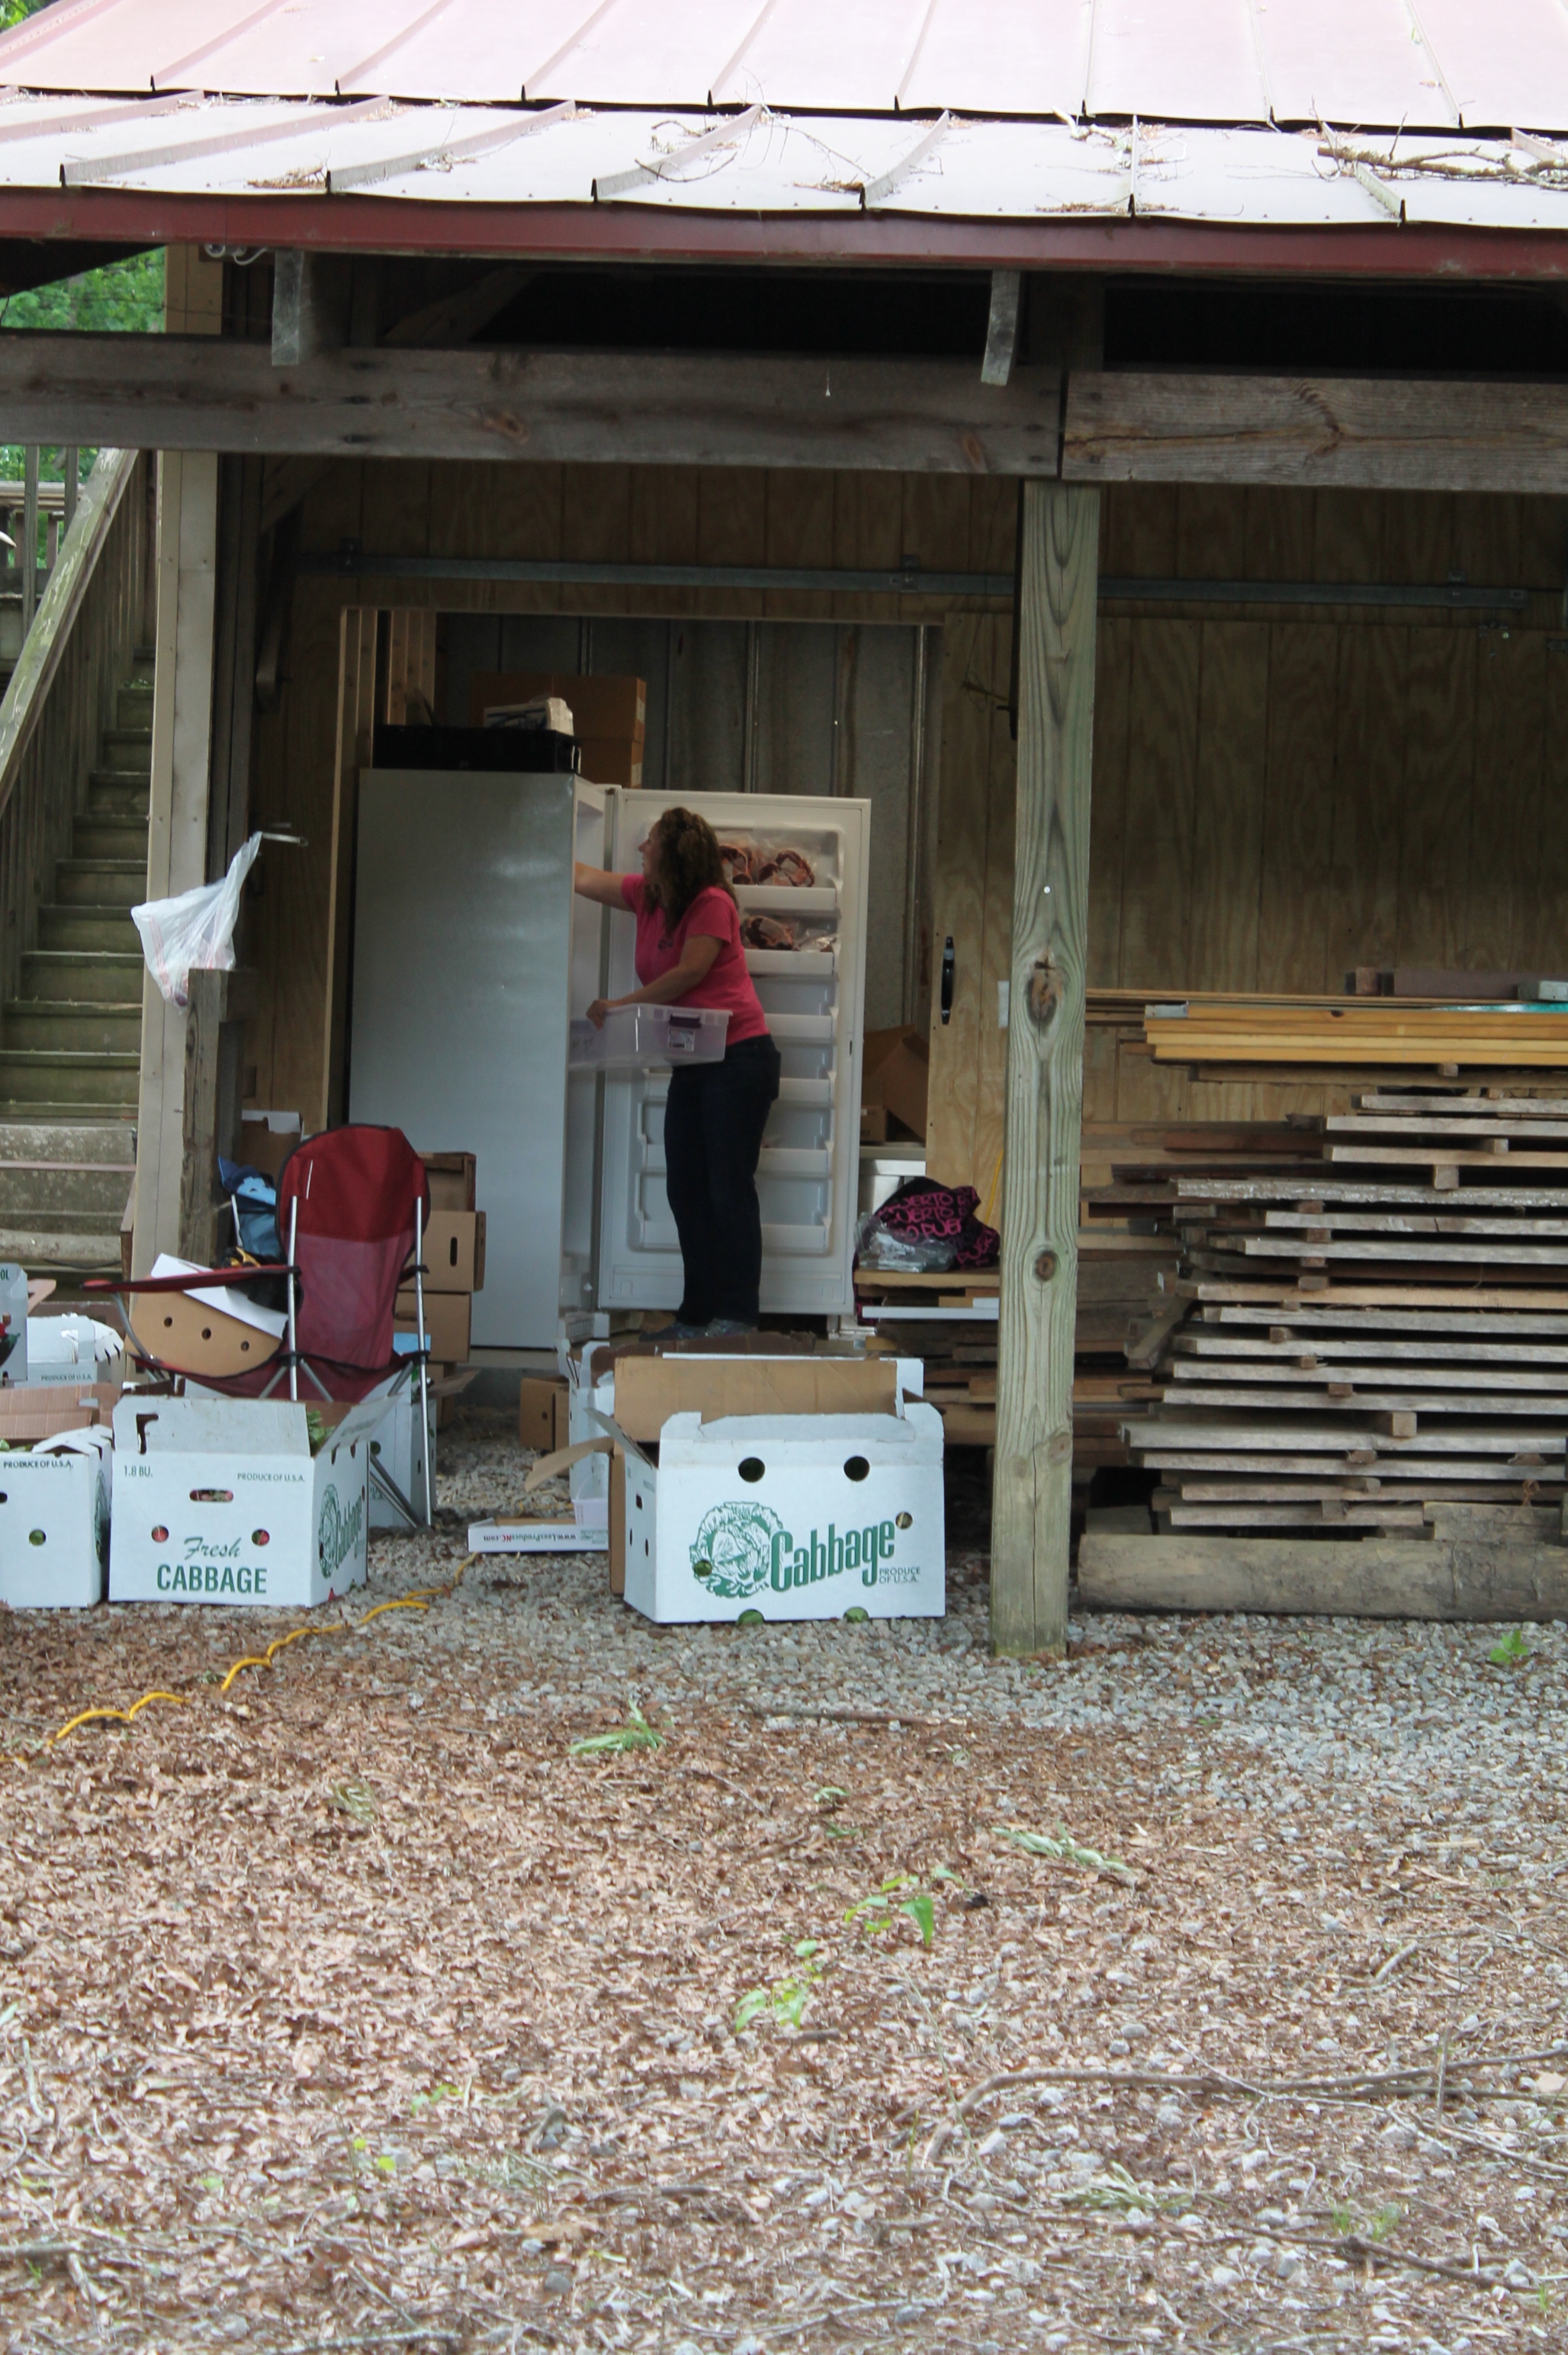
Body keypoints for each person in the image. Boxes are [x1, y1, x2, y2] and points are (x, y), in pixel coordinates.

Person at [574, 808, 780, 1336]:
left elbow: (689, 973)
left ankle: (736, 1315)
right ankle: (696, 1315)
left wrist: (618, 1005)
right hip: (694, 1064)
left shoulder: (711, 904)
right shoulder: (648, 896)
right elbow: (582, 878)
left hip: (739, 1059)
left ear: (674, 853)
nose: (642, 849)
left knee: (727, 1188)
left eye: (650, 842)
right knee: (686, 1189)